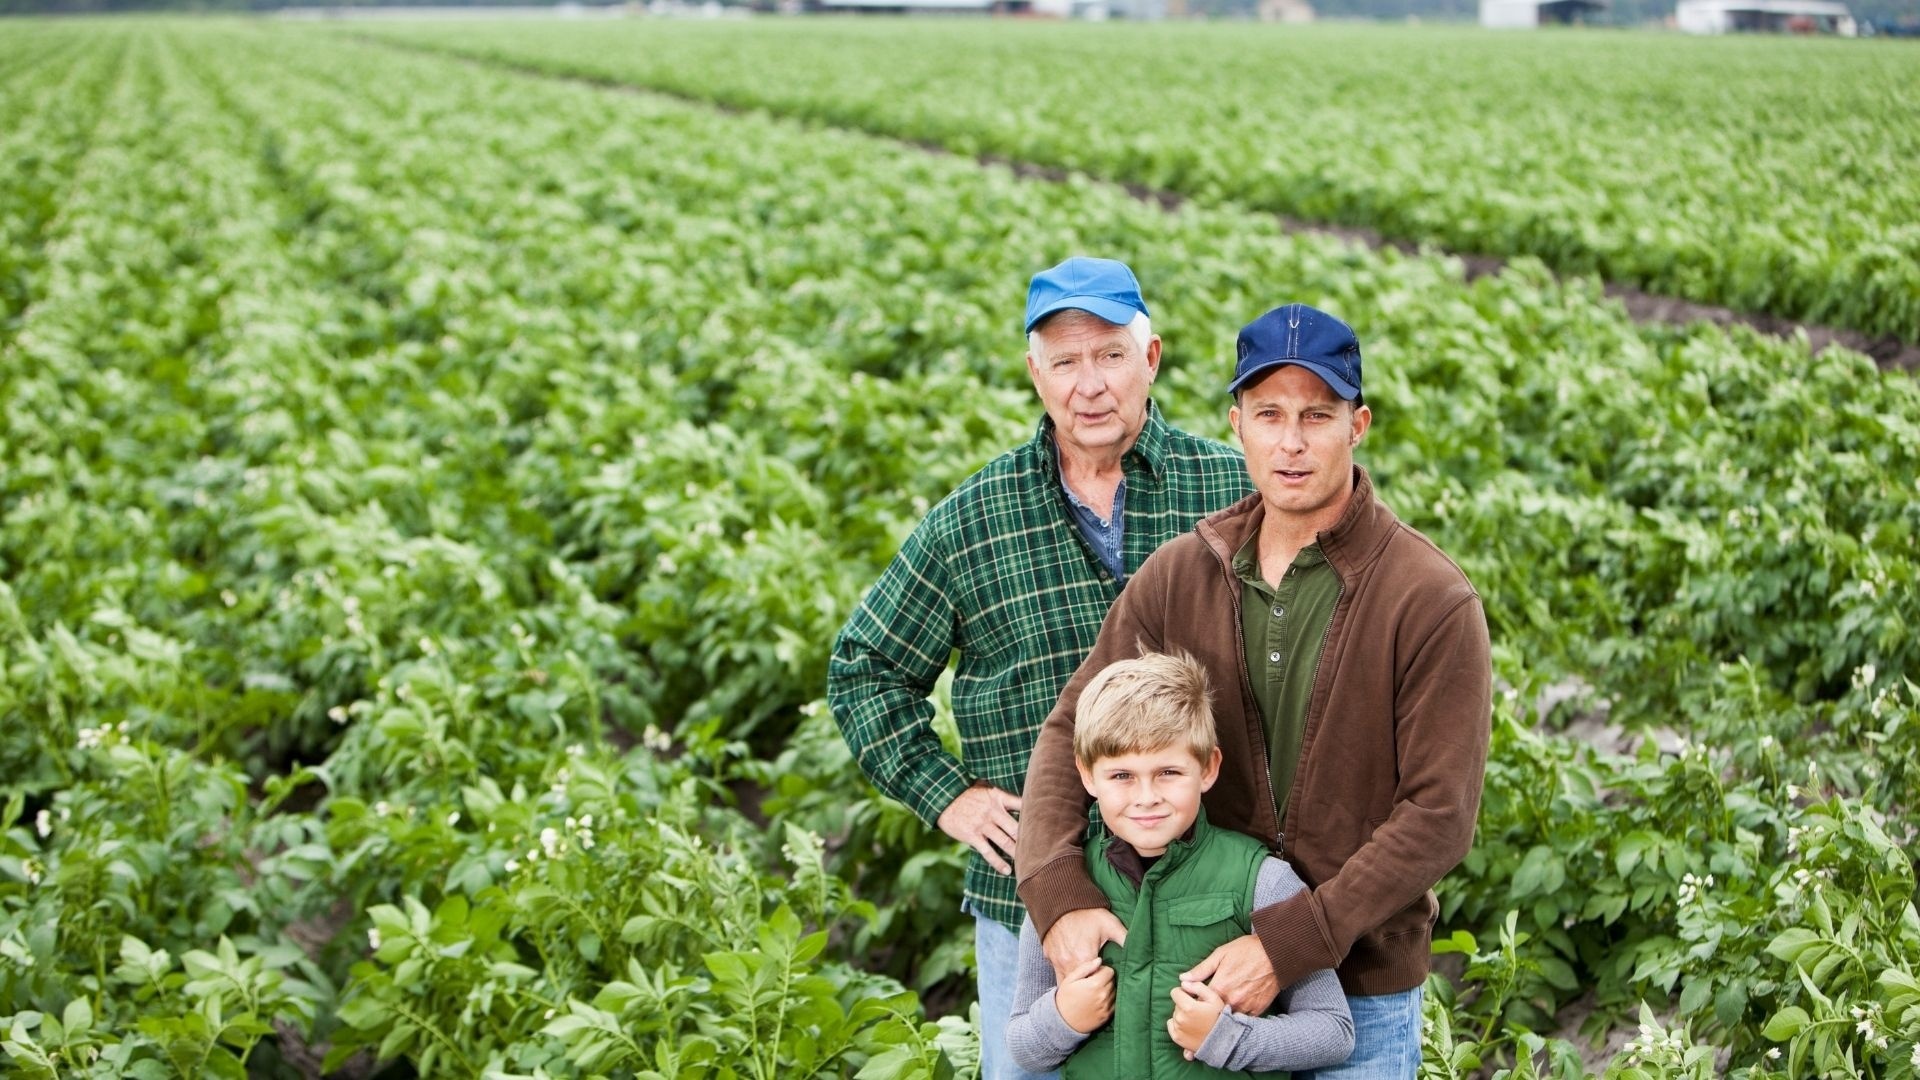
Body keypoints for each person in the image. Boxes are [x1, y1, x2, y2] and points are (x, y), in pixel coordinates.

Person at [1018, 303, 1493, 1078]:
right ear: (1237, 425)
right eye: (1269, 414)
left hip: (1360, 991)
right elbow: (1071, 730)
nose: (1291, 442)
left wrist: (1288, 943)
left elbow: (1438, 816)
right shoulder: (1179, 576)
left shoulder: (1429, 599)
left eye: (1317, 415)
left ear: (1358, 425)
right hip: (1197, 984)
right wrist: (1057, 890)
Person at [828, 257, 1253, 1080]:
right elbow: (864, 668)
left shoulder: (1231, 492)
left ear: (1151, 359)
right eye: (1065, 361)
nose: (1089, 385)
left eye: (1110, 356)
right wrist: (948, 796)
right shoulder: (974, 519)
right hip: (1030, 900)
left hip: (1208, 898)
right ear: (1035, 374)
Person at [1006, 650, 1354, 1078]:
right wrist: (1064, 1017)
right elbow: (1023, 1045)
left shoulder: (1262, 879)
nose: (1146, 797)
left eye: (1168, 772)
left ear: (1208, 768)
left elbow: (1333, 1031)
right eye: (1121, 776)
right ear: (1087, 775)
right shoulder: (1065, 891)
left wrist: (1228, 1038)